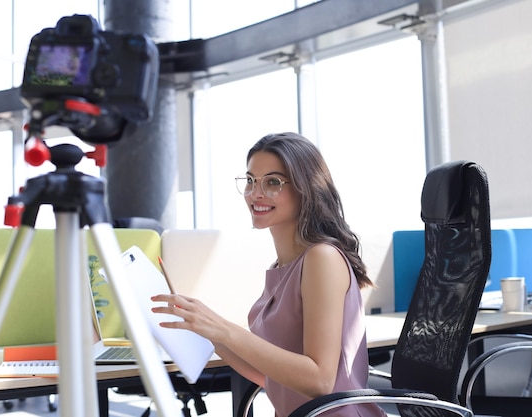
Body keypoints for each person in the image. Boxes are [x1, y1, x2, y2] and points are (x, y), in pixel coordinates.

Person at [152, 132, 387, 417]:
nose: (256, 193)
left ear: (306, 188)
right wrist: (211, 335)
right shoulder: (283, 266)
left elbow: (320, 381)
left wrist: (224, 328)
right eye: (250, 180)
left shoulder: (321, 258)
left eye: (273, 182)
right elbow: (270, 376)